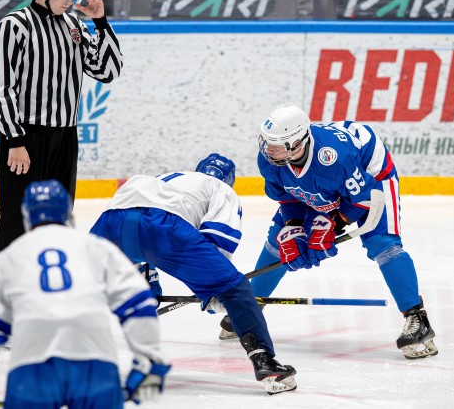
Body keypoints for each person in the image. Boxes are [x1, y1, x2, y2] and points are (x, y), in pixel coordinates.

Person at [218, 103, 438, 361]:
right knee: (278, 243)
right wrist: (293, 228)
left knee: (383, 243)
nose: (270, 151)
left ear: (299, 142)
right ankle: (252, 307)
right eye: (268, 143)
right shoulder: (270, 160)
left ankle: (417, 318)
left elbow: (362, 199)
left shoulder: (336, 157)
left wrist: (334, 223)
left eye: (277, 145)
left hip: (371, 176)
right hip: (331, 179)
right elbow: (289, 201)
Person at [0, 180, 169, 409]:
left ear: (27, 216)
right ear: (67, 214)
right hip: (95, 366)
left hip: (31, 371)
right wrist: (149, 362)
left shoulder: (7, 259)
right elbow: (139, 305)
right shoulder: (96, 248)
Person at [89, 154, 298, 395]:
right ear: (229, 180)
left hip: (111, 221)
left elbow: (137, 228)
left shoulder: (167, 178)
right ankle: (267, 364)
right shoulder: (221, 189)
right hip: (162, 228)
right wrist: (214, 293)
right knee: (235, 287)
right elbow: (217, 242)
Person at [0, 0, 123, 256]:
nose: (71, 0)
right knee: (16, 220)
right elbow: (0, 89)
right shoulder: (13, 27)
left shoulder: (74, 26)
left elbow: (108, 70)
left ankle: (52, 290)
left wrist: (100, 21)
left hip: (65, 138)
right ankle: (6, 291)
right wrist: (15, 140)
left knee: (59, 218)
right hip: (26, 139)